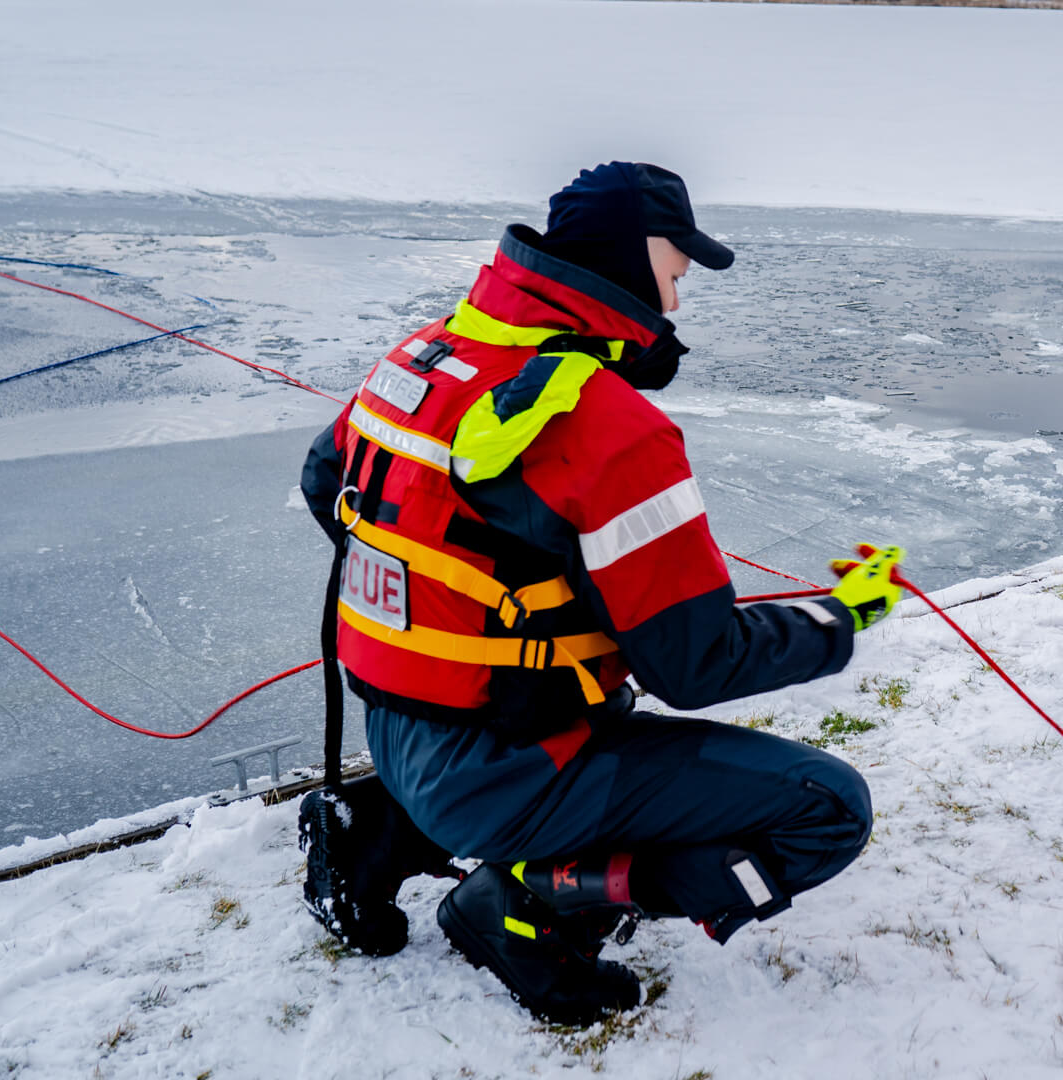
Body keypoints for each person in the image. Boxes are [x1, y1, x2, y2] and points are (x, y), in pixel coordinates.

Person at [295, 161, 902, 1023]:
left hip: (399, 736)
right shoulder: (606, 423)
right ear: (633, 255)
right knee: (830, 810)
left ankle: (388, 828)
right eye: (676, 274)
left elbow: (330, 488)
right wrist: (841, 617)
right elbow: (697, 664)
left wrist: (480, 612)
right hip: (513, 763)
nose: (677, 305)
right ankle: (528, 903)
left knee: (563, 698)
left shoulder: (425, 354)